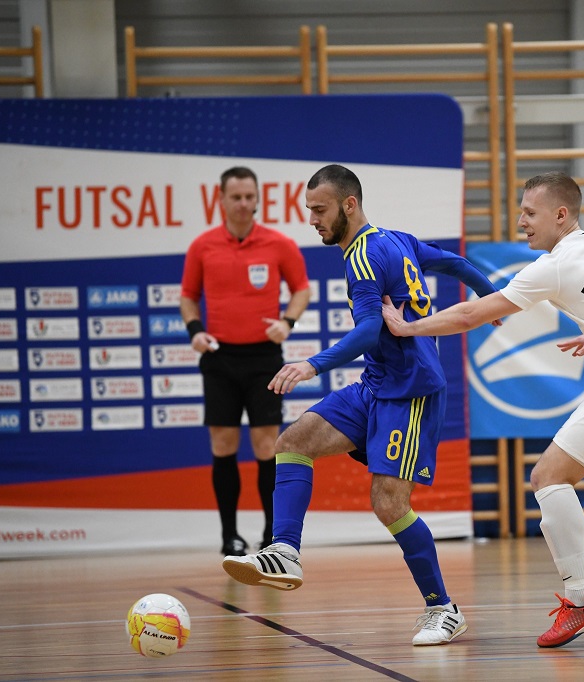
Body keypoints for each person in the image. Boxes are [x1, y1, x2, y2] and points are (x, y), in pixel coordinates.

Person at [381, 171, 584, 648]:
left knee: (547, 476)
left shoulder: (553, 265)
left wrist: (409, 328)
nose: (521, 222)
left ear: (561, 215)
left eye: (530, 213)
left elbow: (474, 313)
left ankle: (581, 600)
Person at [221, 163, 499, 646]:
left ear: (349, 205)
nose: (313, 218)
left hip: (409, 389)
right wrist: (491, 295)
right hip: (378, 381)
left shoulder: (363, 258)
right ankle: (285, 549)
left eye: (320, 209)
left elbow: (371, 330)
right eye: (309, 209)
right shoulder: (398, 239)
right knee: (293, 441)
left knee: (388, 502)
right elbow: (453, 263)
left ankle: (444, 609)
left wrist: (312, 364)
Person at [181, 166, 311, 557]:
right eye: (235, 197)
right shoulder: (202, 246)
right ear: (220, 200)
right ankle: (229, 536)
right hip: (220, 357)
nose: (243, 204)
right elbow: (188, 296)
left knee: (266, 445)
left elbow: (302, 289)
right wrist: (195, 331)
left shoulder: (278, 243)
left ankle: (273, 534)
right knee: (223, 445)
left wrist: (287, 322)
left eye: (249, 197)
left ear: (258, 199)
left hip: (262, 358)